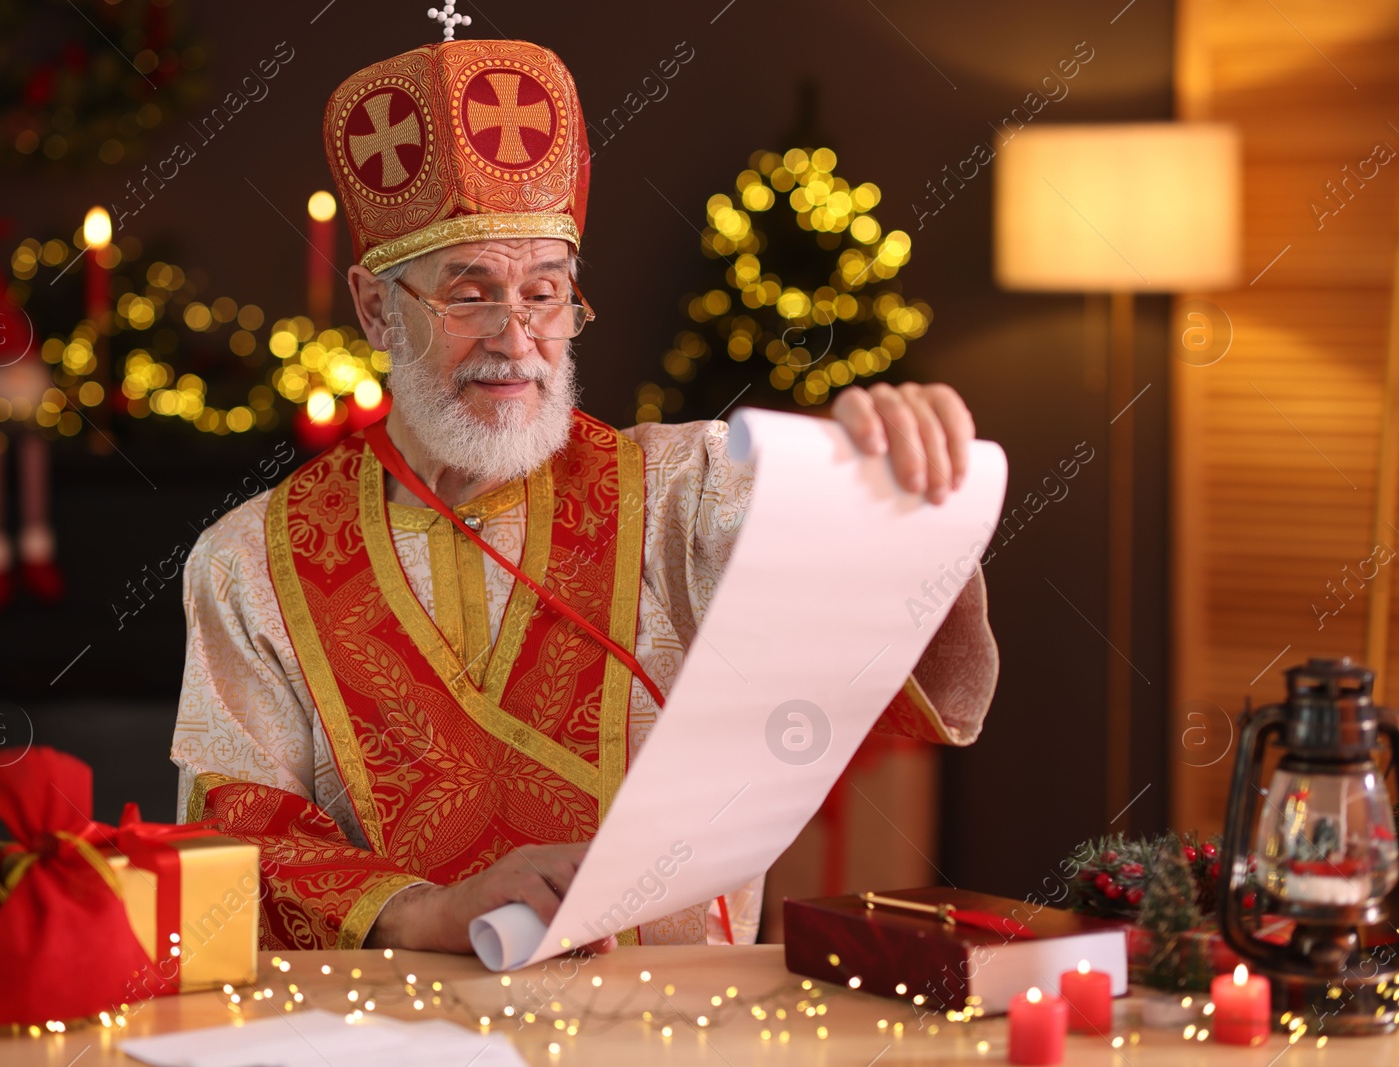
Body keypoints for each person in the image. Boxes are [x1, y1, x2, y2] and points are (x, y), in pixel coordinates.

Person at [172, 36, 998, 954]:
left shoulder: (689, 489)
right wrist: (430, 911)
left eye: (546, 290)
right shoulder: (249, 559)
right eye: (471, 293)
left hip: (675, 1031)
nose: (516, 338)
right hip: (394, 1038)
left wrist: (896, 477)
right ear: (374, 308)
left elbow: (857, 631)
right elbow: (237, 840)